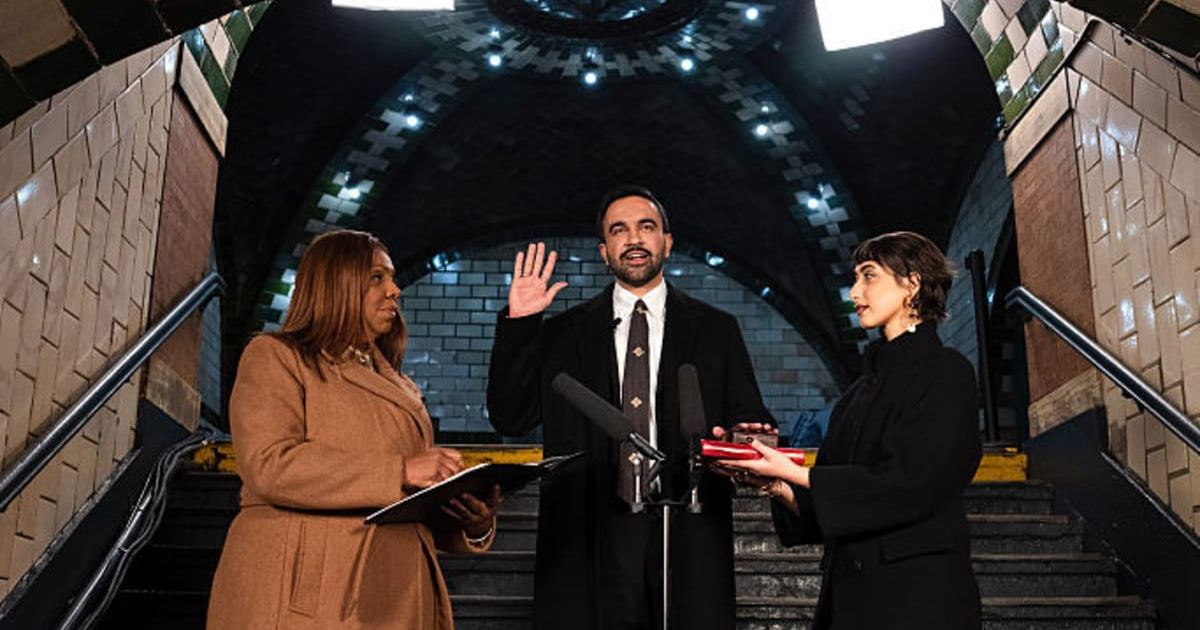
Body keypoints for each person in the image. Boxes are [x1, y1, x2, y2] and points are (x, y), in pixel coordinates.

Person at [486, 185, 773, 629]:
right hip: (586, 535)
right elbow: (511, 415)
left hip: (686, 528)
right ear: (604, 251)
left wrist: (749, 438)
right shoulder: (563, 333)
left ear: (667, 242)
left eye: (646, 227)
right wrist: (521, 325)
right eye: (619, 230)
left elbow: (748, 417)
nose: (634, 239)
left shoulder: (718, 330)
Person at [208, 229, 501, 630]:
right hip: (312, 593)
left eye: (392, 278)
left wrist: (471, 523)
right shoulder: (276, 357)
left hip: (400, 592)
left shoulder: (401, 385)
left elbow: (407, 502)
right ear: (336, 284)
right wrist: (401, 470)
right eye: (377, 277)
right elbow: (270, 465)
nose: (394, 290)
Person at [715, 230, 983, 630]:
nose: (854, 292)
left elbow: (914, 482)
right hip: (849, 599)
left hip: (919, 600)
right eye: (855, 278)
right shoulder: (857, 392)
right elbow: (834, 505)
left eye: (869, 275)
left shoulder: (947, 372)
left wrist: (795, 472)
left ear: (912, 283)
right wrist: (774, 482)